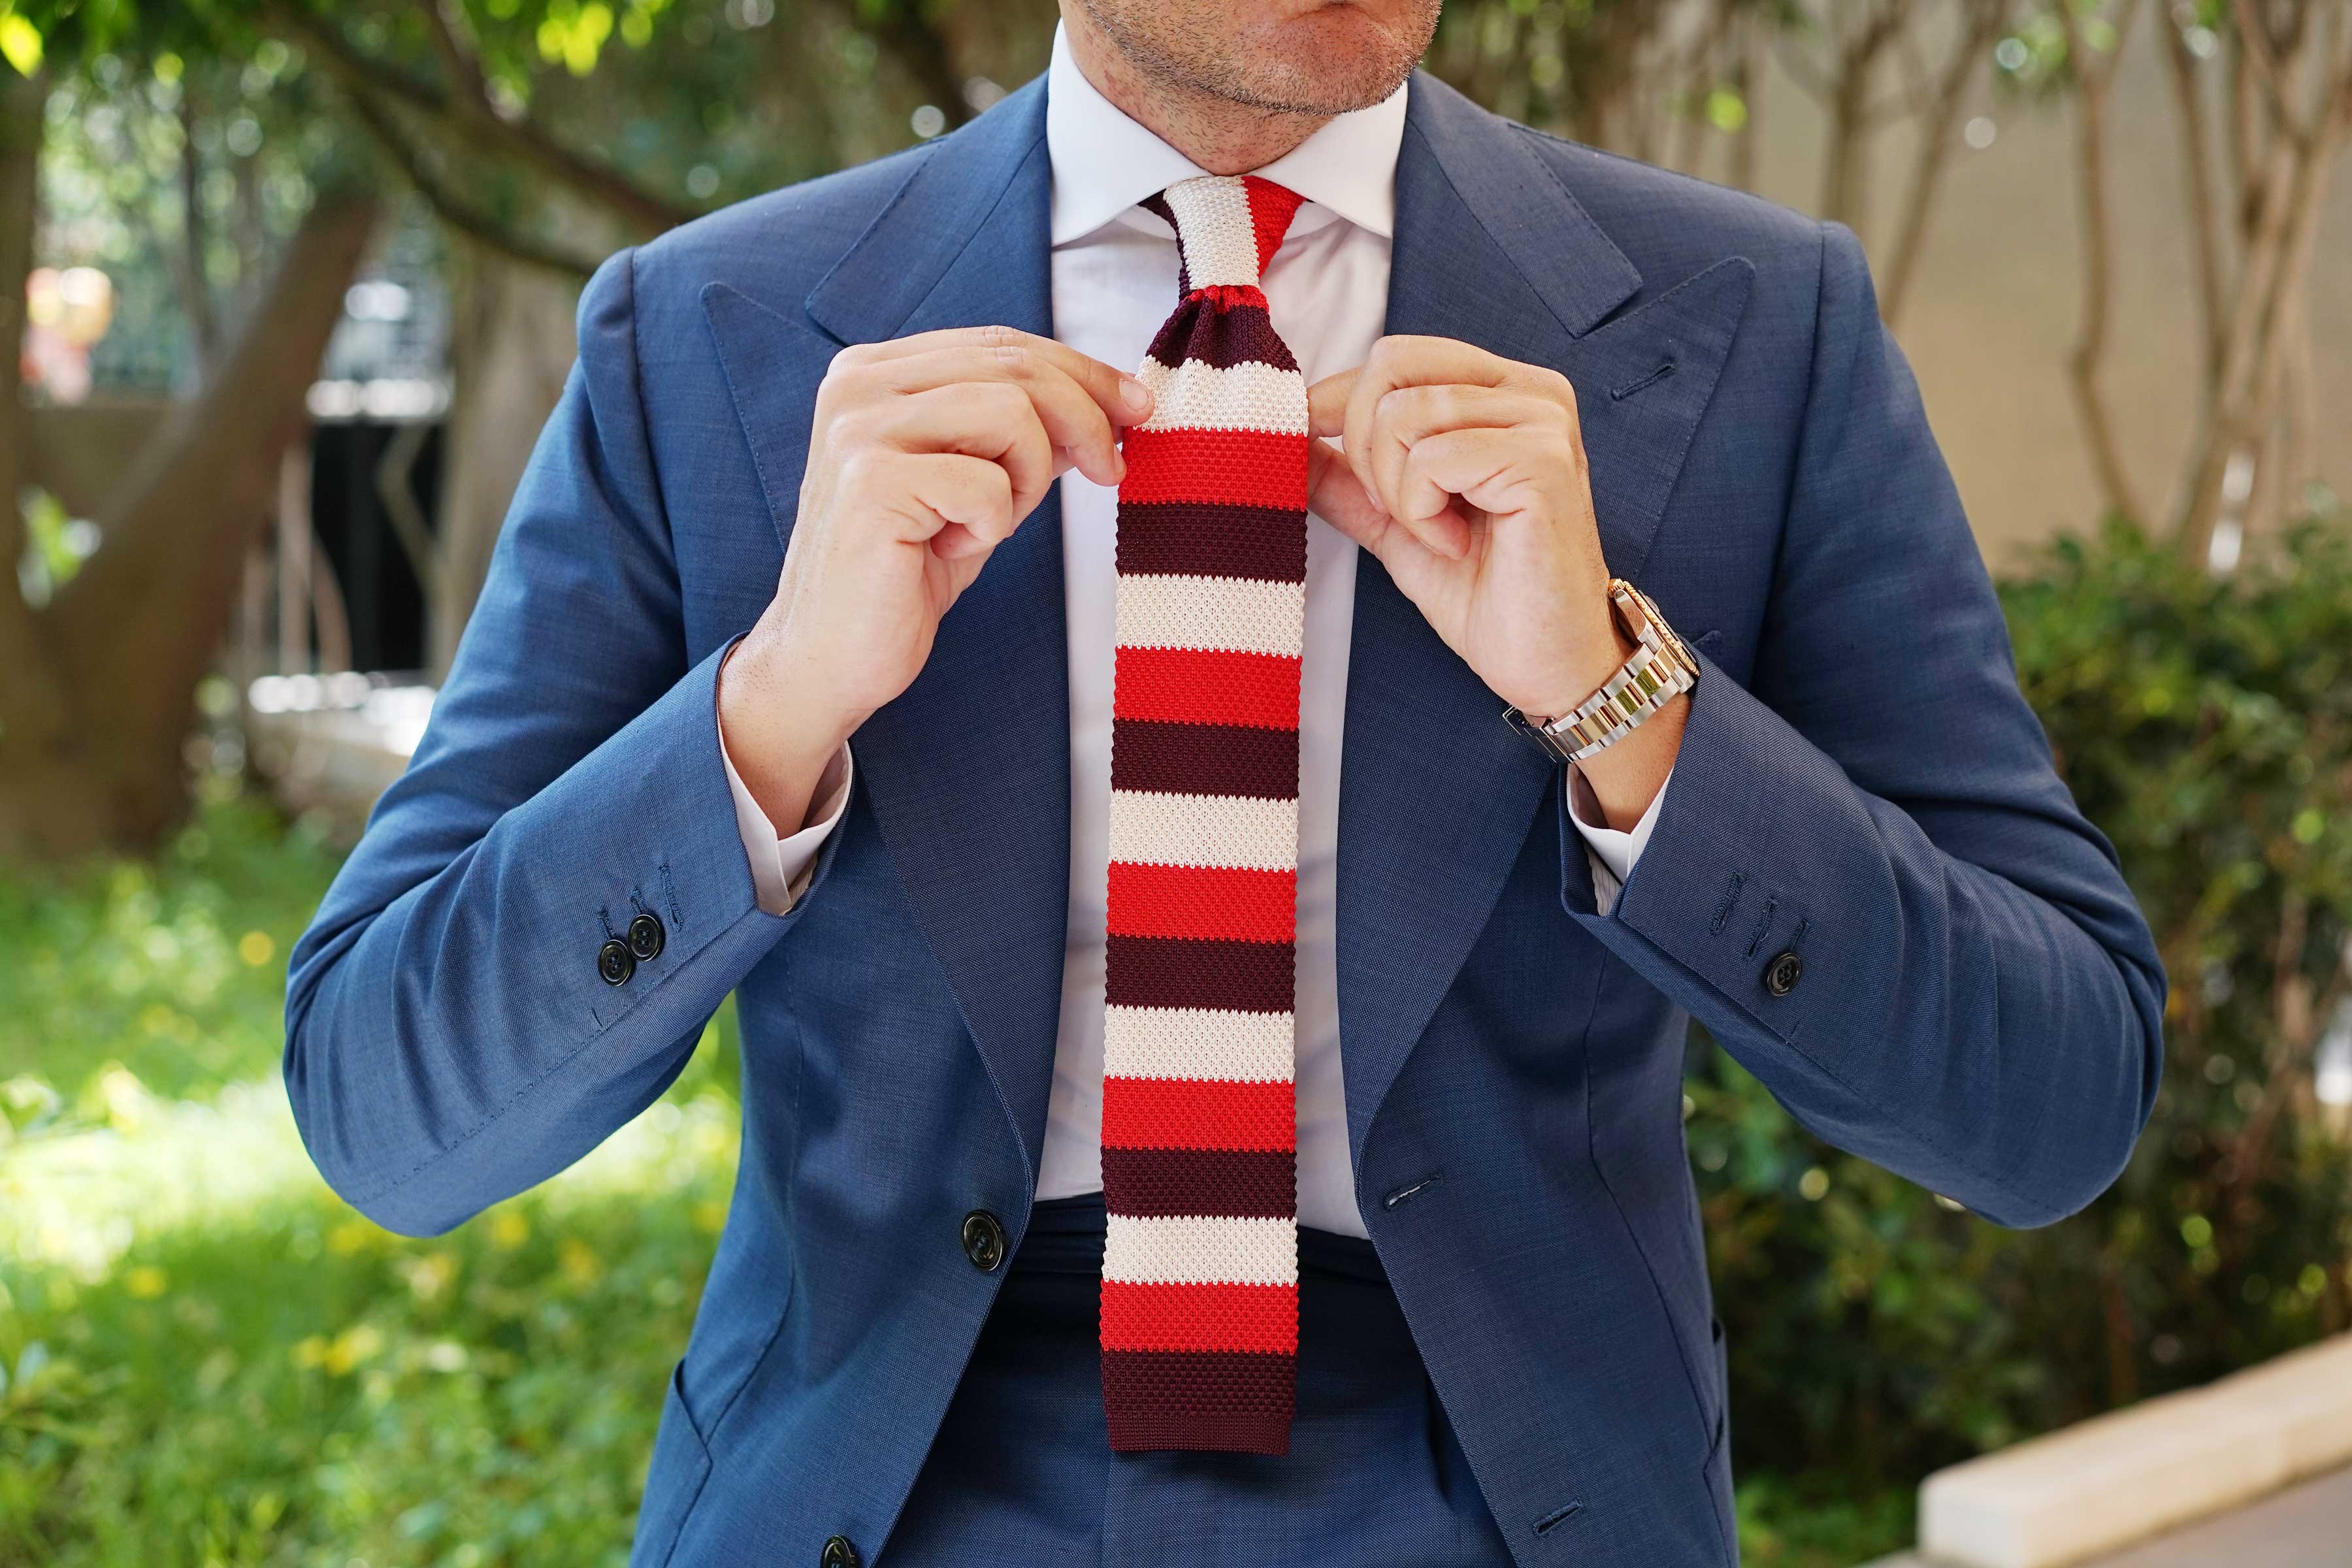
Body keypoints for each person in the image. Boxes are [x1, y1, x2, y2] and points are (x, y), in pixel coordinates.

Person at [283, 1, 2167, 1563]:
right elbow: (388, 1107)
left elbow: (2054, 1098)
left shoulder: (1757, 329)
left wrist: (1619, 703)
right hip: (888, 1482)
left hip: (1505, 1491)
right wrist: (771, 712)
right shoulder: (703, 344)